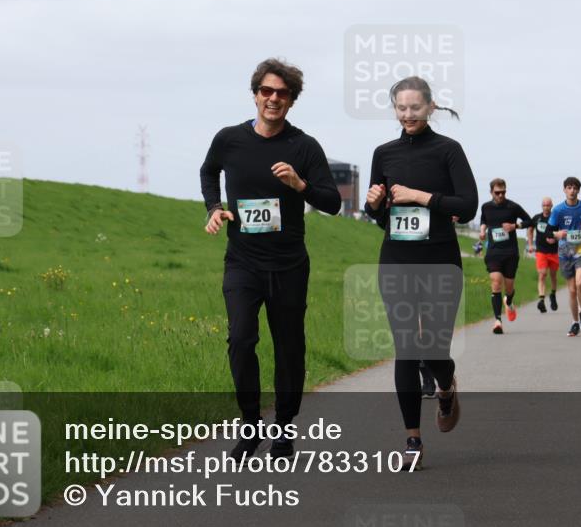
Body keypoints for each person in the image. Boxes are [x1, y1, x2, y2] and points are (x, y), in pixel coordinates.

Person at [201, 58, 342, 460]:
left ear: (292, 100)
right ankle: (250, 424)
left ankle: (283, 427)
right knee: (241, 339)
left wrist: (300, 184)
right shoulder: (229, 139)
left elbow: (332, 202)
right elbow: (208, 172)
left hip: (289, 264)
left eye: (282, 93)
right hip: (242, 261)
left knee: (289, 347)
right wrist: (213, 207)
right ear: (255, 94)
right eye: (266, 91)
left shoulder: (304, 146)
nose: (273, 98)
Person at [365, 76, 478, 471]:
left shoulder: (449, 151)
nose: (408, 114)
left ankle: (446, 387)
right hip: (396, 260)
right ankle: (412, 438)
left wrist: (421, 197)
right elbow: (380, 219)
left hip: (440, 261)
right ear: (394, 109)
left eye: (415, 107)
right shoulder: (384, 153)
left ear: (430, 107)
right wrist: (374, 203)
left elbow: (468, 207)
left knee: (433, 349)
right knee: (406, 348)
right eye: (401, 108)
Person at [544, 177, 581, 337]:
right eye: (569, 187)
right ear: (564, 190)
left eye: (575, 188)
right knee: (572, 290)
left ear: (578, 190)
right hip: (565, 252)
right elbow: (548, 231)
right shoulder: (558, 210)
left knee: (580, 282)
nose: (572, 191)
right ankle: (575, 323)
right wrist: (557, 233)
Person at [479, 179, 533, 334]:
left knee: (509, 288)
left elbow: (530, 221)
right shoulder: (486, 207)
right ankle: (497, 321)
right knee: (496, 282)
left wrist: (515, 226)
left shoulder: (513, 207)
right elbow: (484, 220)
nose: (501, 195)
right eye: (497, 193)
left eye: (503, 192)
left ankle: (508, 301)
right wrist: (482, 231)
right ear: (491, 192)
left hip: (510, 253)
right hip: (494, 252)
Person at [526, 197, 559, 313]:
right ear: (542, 206)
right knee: (542, 274)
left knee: (553, 275)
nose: (546, 207)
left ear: (551, 206)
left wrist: (555, 239)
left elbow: (561, 232)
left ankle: (553, 295)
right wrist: (530, 244)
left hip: (553, 252)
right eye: (544, 205)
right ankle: (541, 300)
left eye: (548, 205)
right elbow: (529, 229)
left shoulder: (555, 218)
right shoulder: (537, 218)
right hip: (541, 251)